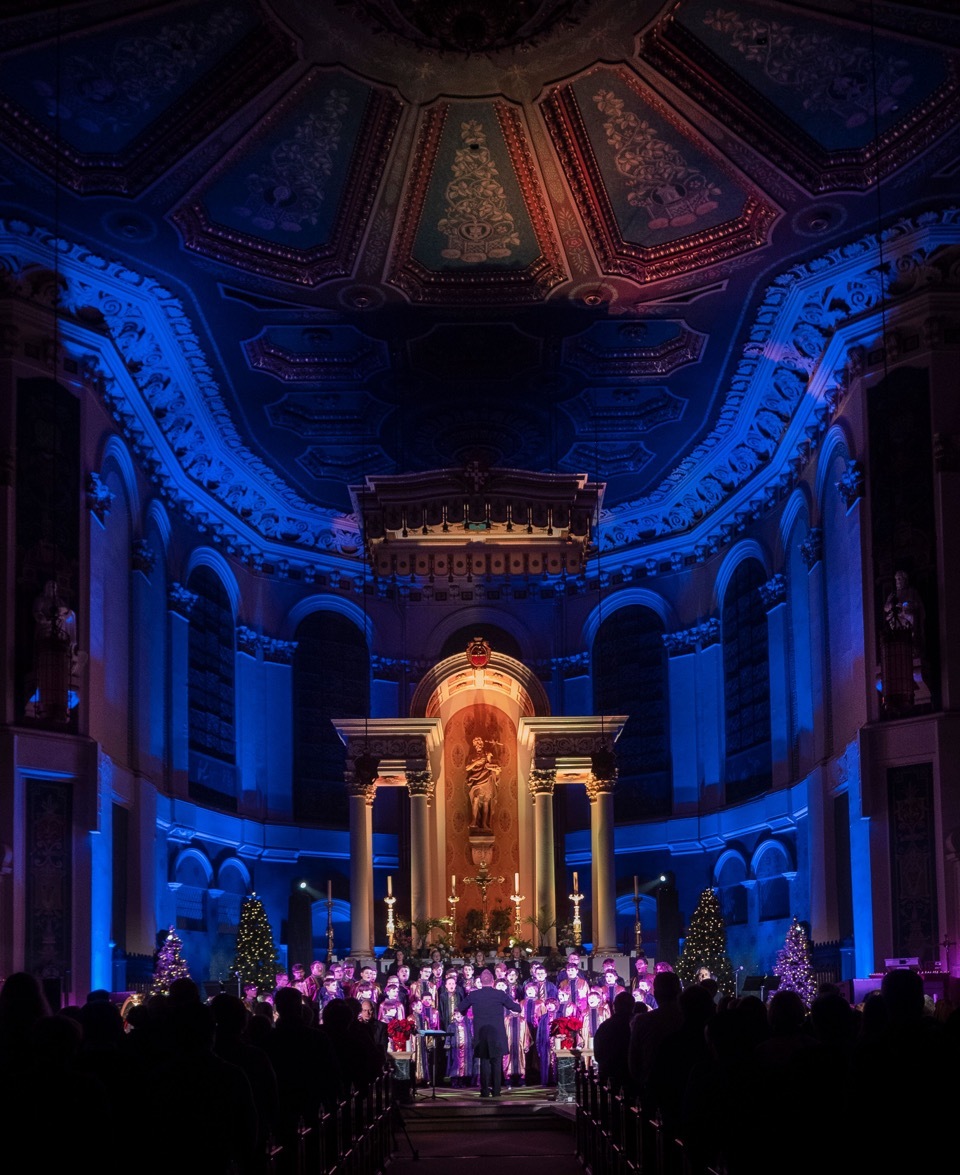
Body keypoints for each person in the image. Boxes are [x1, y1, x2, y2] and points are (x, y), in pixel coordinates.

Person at [458, 968, 521, 1097]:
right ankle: (497, 1091)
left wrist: (465, 1013)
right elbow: (516, 1008)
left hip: (481, 1034)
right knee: (496, 1062)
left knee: (484, 1062)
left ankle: (485, 1091)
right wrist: (515, 1003)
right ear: (493, 982)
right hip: (497, 1034)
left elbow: (460, 1008)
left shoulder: (474, 995)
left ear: (480, 982)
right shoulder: (500, 994)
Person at [466, 735, 501, 831]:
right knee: (475, 799)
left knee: (486, 802)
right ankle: (474, 821)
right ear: (474, 745)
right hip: (476, 780)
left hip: (487, 778)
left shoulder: (486, 754)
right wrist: (476, 762)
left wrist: (489, 757)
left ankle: (485, 824)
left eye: (480, 743)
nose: (479, 745)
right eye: (477, 744)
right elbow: (467, 768)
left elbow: (489, 764)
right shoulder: (472, 756)